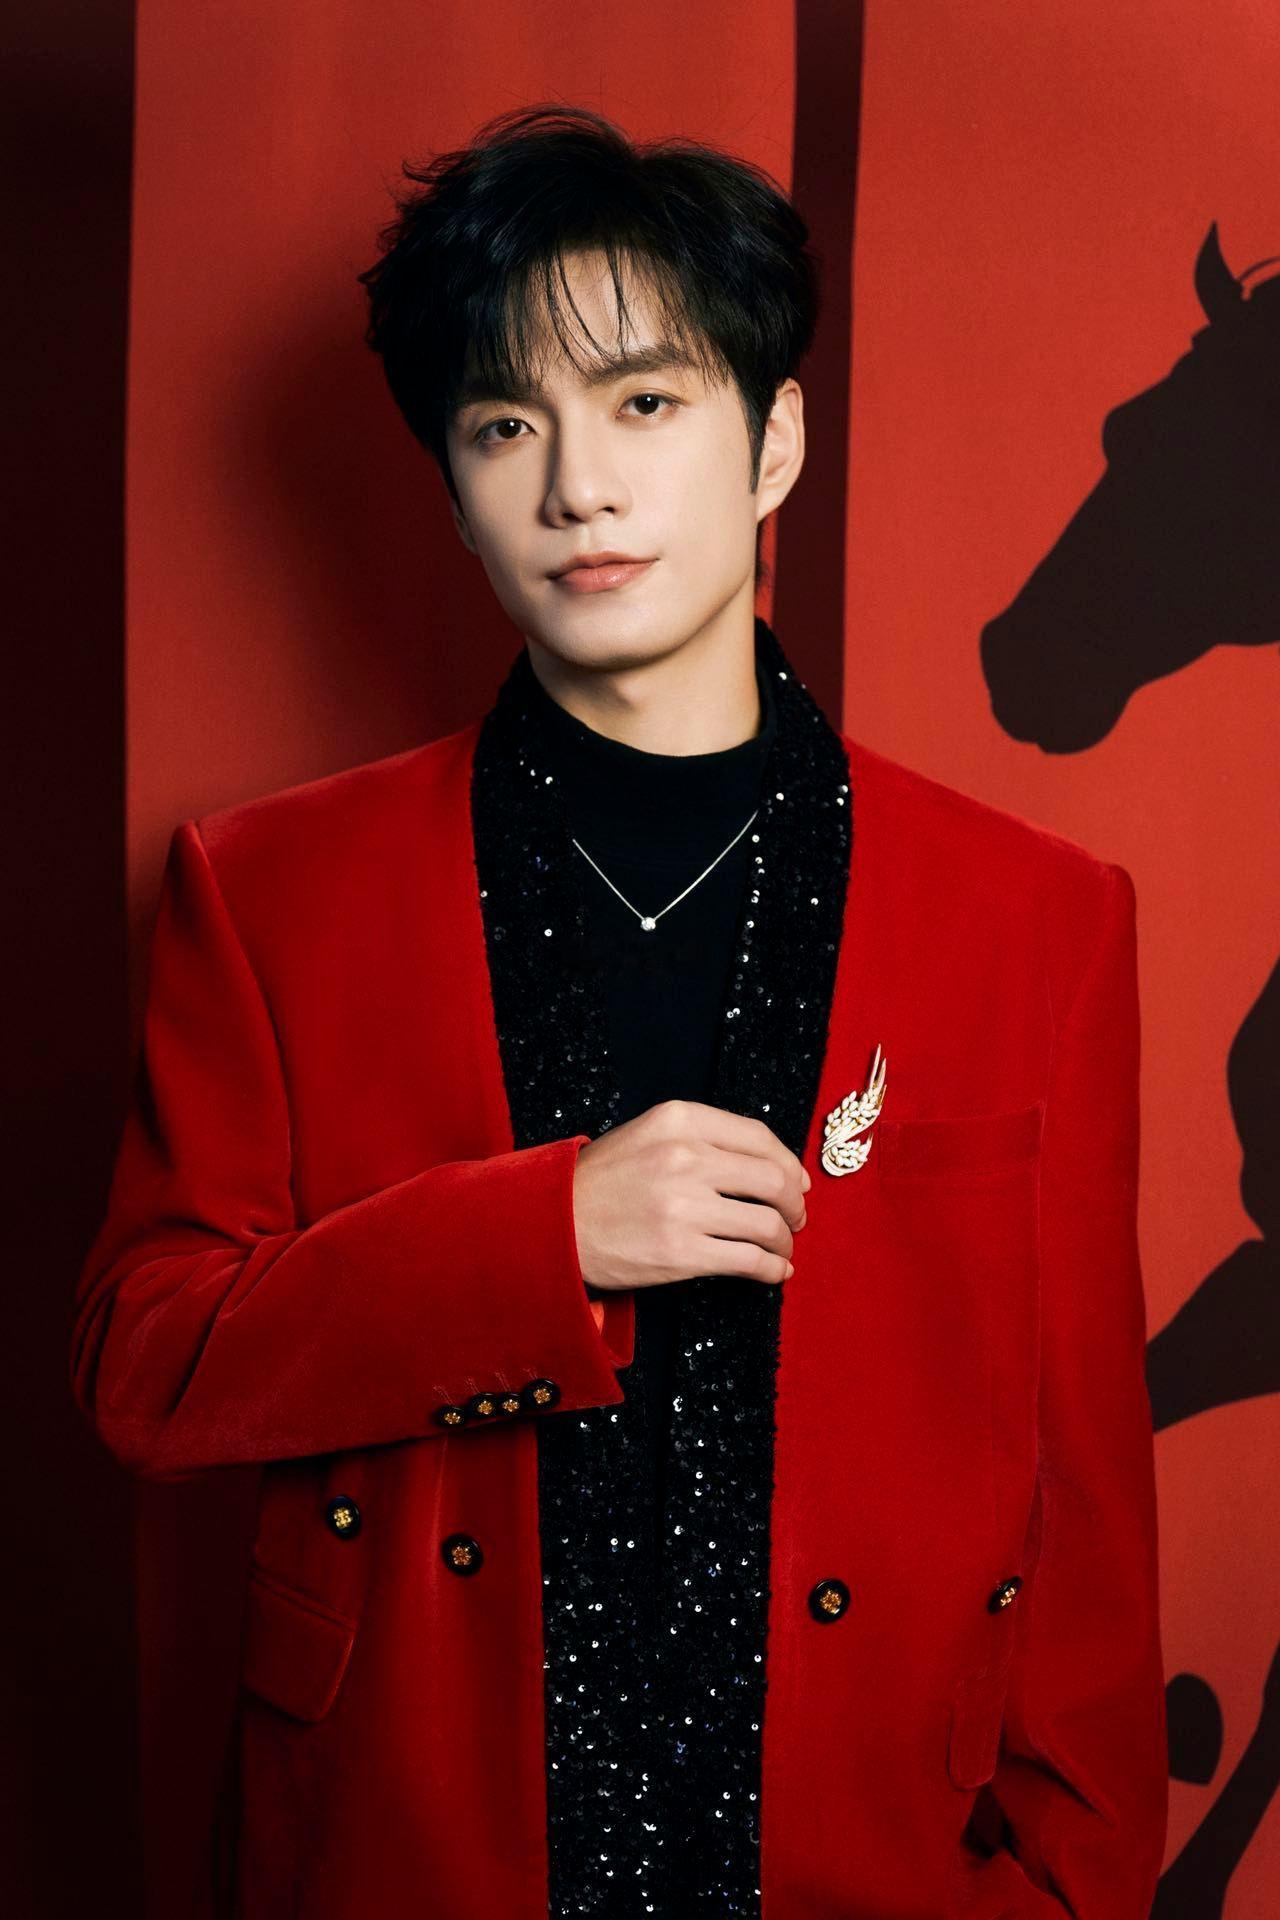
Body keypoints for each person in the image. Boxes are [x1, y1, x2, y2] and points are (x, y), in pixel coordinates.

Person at [71, 102, 1168, 1919]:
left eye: (645, 402)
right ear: (453, 487)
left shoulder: (1039, 917)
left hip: (866, 1860)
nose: (577, 485)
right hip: (415, 1850)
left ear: (773, 440)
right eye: (508, 426)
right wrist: (540, 1237)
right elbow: (144, 1362)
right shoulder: (267, 890)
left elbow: (1087, 1509)